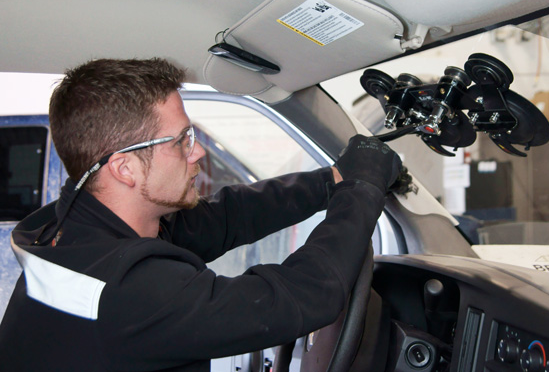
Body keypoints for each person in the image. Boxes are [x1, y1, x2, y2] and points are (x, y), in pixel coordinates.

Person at [0, 58, 402, 371]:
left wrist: (332, 180)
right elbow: (303, 297)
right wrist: (362, 189)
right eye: (181, 141)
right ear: (124, 168)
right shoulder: (130, 293)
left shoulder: (76, 231)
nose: (198, 152)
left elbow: (224, 218)